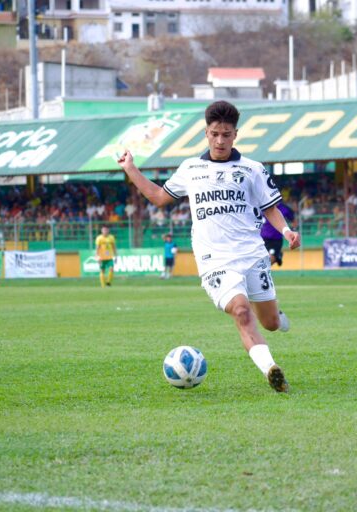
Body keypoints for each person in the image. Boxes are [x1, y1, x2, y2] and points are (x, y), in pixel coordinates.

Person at [117, 100, 300, 392]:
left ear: (235, 135)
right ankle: (271, 370)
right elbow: (157, 196)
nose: (220, 140)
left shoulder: (252, 169)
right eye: (215, 133)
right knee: (241, 311)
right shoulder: (191, 168)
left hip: (252, 255)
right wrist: (131, 168)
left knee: (270, 324)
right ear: (206, 133)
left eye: (226, 134)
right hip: (214, 259)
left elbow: (270, 208)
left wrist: (287, 231)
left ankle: (279, 317)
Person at [261, 201, 295, 267]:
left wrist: (292, 230)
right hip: (262, 238)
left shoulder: (284, 208)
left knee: (267, 263)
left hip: (275, 240)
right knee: (260, 261)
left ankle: (276, 256)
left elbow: (294, 220)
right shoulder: (264, 205)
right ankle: (278, 256)